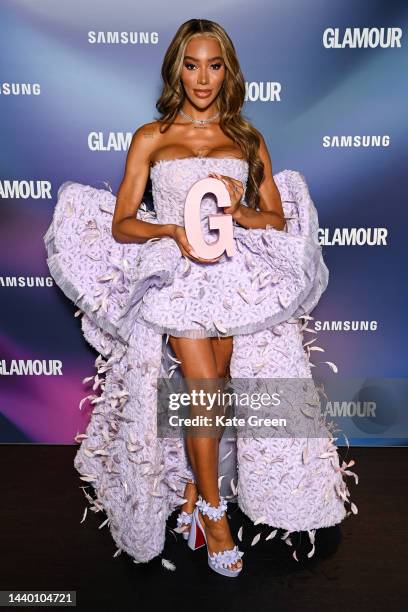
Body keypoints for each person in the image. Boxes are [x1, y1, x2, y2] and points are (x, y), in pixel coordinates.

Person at [44, 19, 358, 578]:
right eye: (192, 65)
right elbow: (121, 223)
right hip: (179, 280)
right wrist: (170, 232)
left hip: (236, 283)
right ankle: (215, 517)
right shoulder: (151, 136)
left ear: (228, 70)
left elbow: (275, 219)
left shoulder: (245, 137)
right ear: (176, 69)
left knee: (218, 398)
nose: (202, 78)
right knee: (204, 390)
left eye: (214, 65)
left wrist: (240, 214)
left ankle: (193, 495)